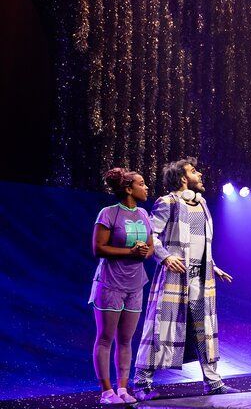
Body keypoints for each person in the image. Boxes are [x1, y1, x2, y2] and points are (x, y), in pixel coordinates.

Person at [134, 158, 236, 400]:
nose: (199, 174)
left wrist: (213, 266)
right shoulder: (167, 203)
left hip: (201, 277)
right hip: (175, 275)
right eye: (193, 171)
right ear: (182, 179)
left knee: (205, 329)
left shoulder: (202, 205)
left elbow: (200, 243)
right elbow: (152, 235)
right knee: (161, 327)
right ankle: (141, 383)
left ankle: (212, 382)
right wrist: (165, 257)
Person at [90, 168, 153, 404]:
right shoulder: (108, 213)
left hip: (135, 284)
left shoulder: (144, 215)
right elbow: (98, 248)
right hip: (110, 283)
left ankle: (123, 389)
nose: (146, 187)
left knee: (126, 340)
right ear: (128, 189)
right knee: (106, 338)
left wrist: (145, 251)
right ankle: (107, 391)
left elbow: (150, 246)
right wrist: (131, 251)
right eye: (142, 183)